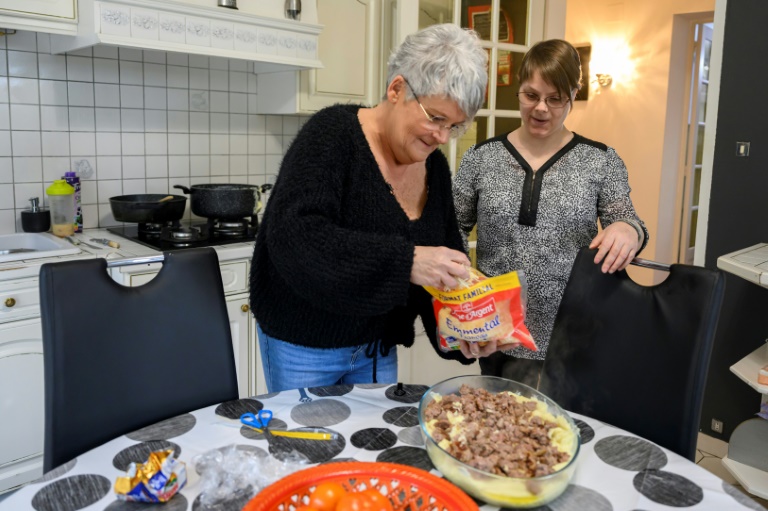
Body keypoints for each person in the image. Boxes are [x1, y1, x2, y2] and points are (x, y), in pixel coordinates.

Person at [249, 24, 489, 392]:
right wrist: (407, 261)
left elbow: (441, 270)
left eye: (454, 126)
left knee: (371, 448)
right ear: (397, 89)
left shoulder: (435, 168)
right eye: (436, 118)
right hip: (305, 344)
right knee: (309, 446)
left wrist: (461, 330)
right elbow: (295, 238)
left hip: (377, 348)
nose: (442, 136)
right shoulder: (332, 136)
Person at [452, 39, 649, 388]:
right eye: (531, 95)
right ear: (519, 90)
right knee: (500, 432)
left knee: (561, 432)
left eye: (555, 98)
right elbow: (450, 232)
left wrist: (627, 230)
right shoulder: (481, 159)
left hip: (573, 332)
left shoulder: (601, 160)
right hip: (498, 331)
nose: (541, 109)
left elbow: (628, 219)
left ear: (574, 93)